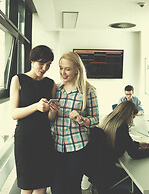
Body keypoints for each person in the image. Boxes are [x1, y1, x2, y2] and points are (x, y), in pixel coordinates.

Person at [9, 45, 59, 194]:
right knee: (27, 185)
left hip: (44, 137)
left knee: (41, 185)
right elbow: (13, 113)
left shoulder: (50, 84)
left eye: (48, 64)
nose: (44, 68)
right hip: (25, 138)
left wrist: (53, 111)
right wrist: (35, 107)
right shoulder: (18, 79)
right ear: (32, 61)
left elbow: (50, 119)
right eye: (41, 63)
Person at [51, 51, 99, 194]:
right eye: (60, 68)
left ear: (77, 69)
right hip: (56, 145)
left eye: (67, 69)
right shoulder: (56, 89)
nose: (63, 72)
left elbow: (95, 119)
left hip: (77, 146)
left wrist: (82, 119)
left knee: (73, 187)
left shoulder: (88, 91)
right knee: (57, 188)